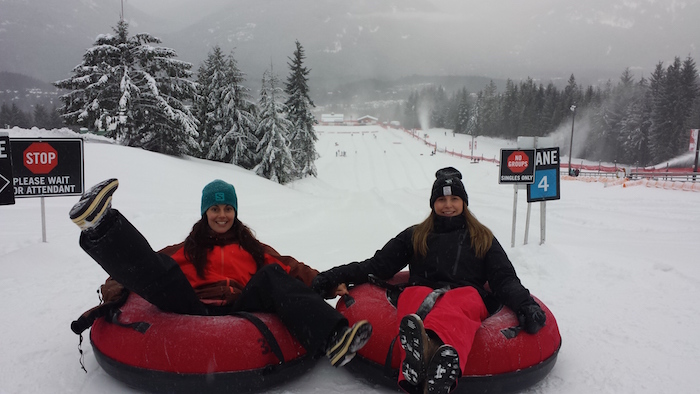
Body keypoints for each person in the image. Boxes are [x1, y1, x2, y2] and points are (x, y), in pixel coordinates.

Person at [70, 178, 372, 368]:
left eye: (228, 209)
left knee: (271, 275)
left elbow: (290, 269)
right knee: (166, 273)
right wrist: (113, 292)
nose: (222, 215)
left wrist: (330, 286)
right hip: (192, 306)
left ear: (235, 212)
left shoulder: (253, 248)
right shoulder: (186, 248)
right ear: (205, 213)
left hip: (242, 308)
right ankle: (100, 226)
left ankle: (335, 338)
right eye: (215, 209)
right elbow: (144, 267)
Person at [311, 167, 546, 394]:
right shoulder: (416, 235)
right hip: (422, 292)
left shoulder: (482, 237)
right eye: (441, 200)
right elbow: (376, 266)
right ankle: (429, 364)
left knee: (459, 302)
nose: (448, 205)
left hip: (465, 293)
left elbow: (503, 278)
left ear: (463, 202)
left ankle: (425, 357)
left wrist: (525, 305)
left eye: (454, 198)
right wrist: (334, 276)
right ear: (433, 203)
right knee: (413, 296)